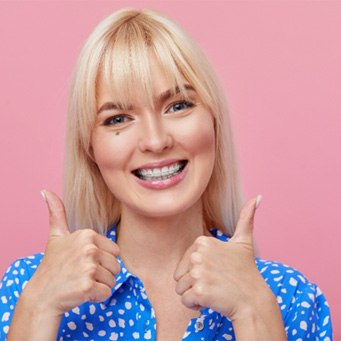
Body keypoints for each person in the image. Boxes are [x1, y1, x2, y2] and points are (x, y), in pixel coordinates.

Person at [0, 8, 332, 341]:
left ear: (214, 121)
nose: (156, 141)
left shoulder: (291, 300)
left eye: (178, 105)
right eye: (117, 119)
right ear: (91, 149)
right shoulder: (29, 289)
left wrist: (253, 312)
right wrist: (38, 308)